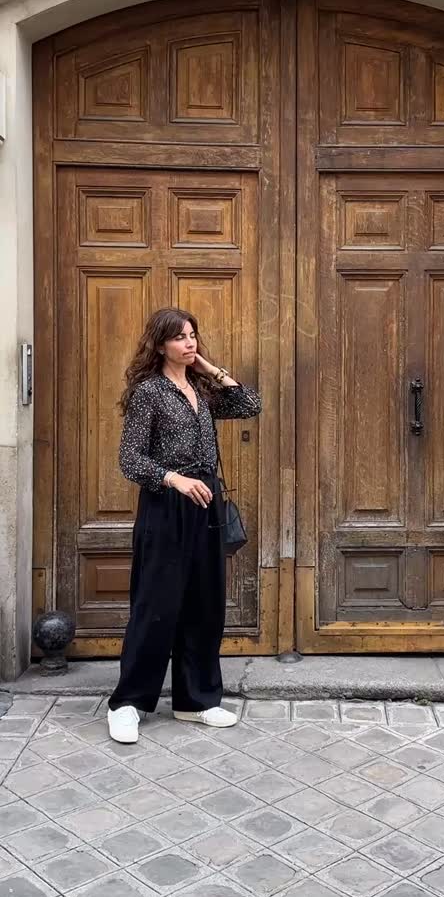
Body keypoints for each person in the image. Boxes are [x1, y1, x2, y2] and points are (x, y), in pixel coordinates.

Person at [107, 307, 261, 744]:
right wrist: (173, 478)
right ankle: (128, 704)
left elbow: (249, 403)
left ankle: (196, 701)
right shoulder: (149, 393)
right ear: (160, 345)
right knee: (156, 606)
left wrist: (208, 367)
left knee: (204, 604)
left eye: (193, 335)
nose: (189, 343)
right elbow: (130, 459)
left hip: (206, 505)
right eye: (179, 338)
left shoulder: (200, 389)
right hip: (166, 506)